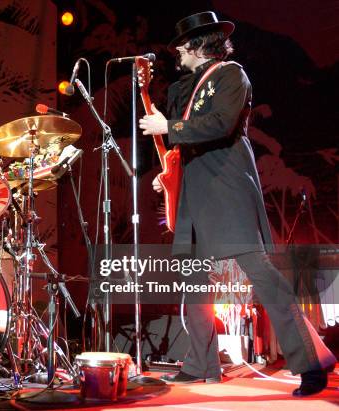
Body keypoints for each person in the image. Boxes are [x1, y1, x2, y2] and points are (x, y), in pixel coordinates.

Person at [139, 11, 336, 396]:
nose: (176, 51)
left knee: (263, 278)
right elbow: (172, 141)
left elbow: (220, 124)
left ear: (198, 44)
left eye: (182, 44)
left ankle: (312, 363)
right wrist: (147, 97)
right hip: (193, 194)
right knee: (194, 282)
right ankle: (201, 364)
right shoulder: (182, 87)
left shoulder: (231, 75)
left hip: (226, 188)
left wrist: (171, 127)